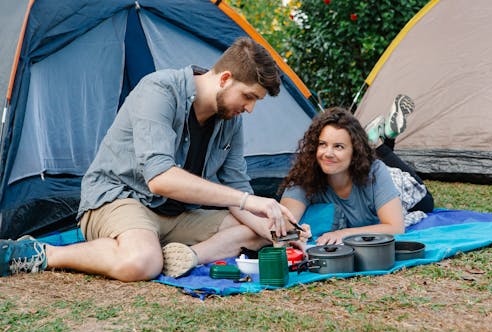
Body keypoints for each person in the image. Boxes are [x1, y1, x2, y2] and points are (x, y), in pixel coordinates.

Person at [0, 37, 299, 281]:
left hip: (176, 215)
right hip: (119, 199)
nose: (249, 109)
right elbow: (160, 179)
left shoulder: (229, 120)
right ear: (224, 79)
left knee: (257, 234)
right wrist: (249, 201)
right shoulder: (160, 90)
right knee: (142, 262)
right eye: (248, 97)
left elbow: (237, 186)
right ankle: (44, 253)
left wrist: (280, 229)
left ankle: (185, 256)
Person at [279, 105, 426, 246]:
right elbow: (284, 224)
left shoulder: (375, 172)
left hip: (398, 184)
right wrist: (293, 234)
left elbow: (395, 227)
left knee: (427, 202)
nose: (327, 153)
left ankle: (379, 144)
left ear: (355, 152)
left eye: (338, 146)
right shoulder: (306, 173)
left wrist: (342, 233)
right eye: (322, 144)